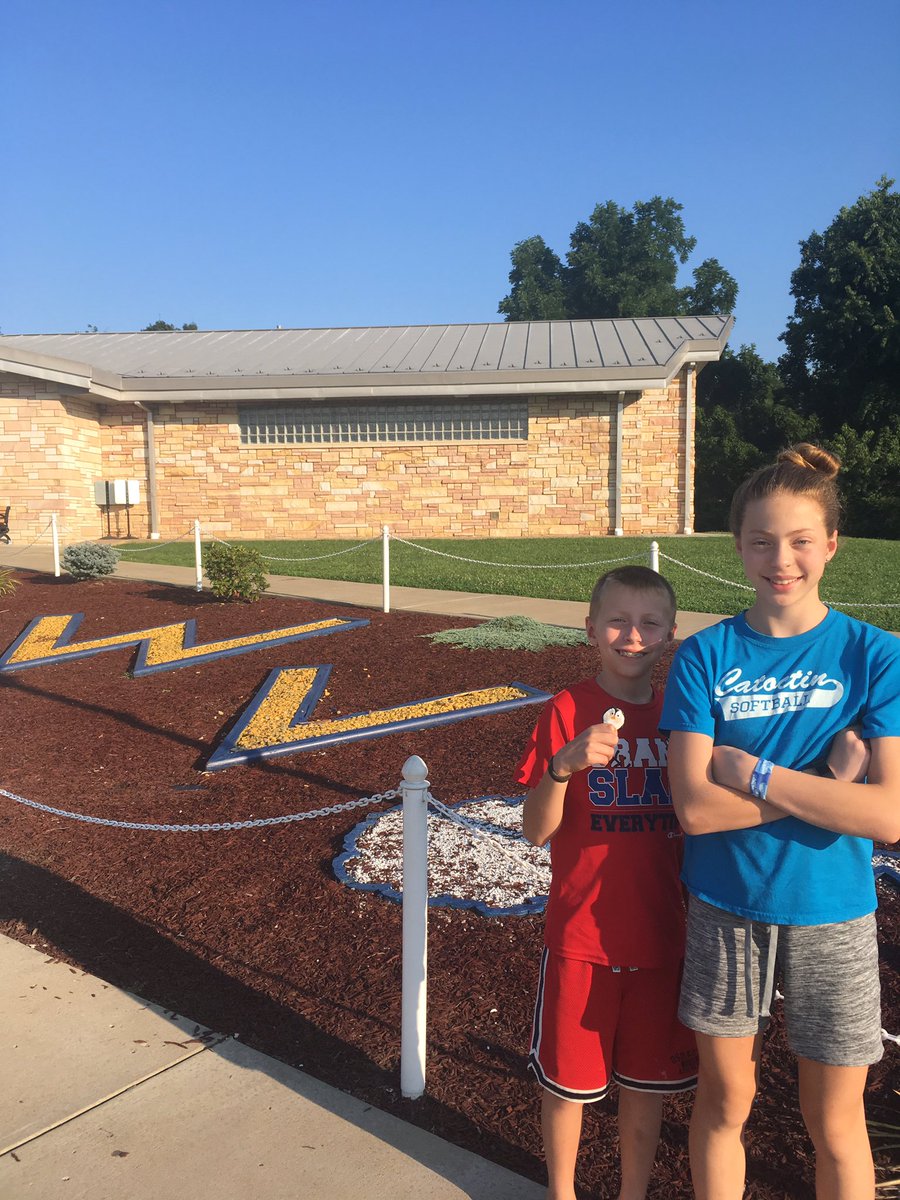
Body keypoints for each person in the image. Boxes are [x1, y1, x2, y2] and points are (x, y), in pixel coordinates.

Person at [661, 443, 900, 1200]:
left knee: (834, 1123)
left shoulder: (874, 655)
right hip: (726, 904)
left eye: (801, 541)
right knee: (727, 1101)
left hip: (834, 910)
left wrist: (758, 773)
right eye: (762, 541)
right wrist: (830, 783)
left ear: (831, 545)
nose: (781, 559)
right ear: (737, 548)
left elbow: (890, 813)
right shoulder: (703, 656)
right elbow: (695, 810)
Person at [518, 565, 698, 1200]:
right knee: (567, 1090)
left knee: (645, 1091)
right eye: (617, 620)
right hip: (582, 939)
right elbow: (537, 830)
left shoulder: (685, 712)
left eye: (649, 623)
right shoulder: (567, 708)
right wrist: (562, 768)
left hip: (662, 940)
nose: (632, 635)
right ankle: (561, 1192)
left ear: (671, 634)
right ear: (591, 628)